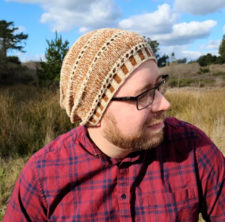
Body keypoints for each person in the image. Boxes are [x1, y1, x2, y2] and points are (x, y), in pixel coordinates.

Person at [3, 28, 225, 222]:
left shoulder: (192, 148)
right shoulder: (43, 175)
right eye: (145, 95)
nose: (164, 103)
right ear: (96, 110)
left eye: (159, 86)